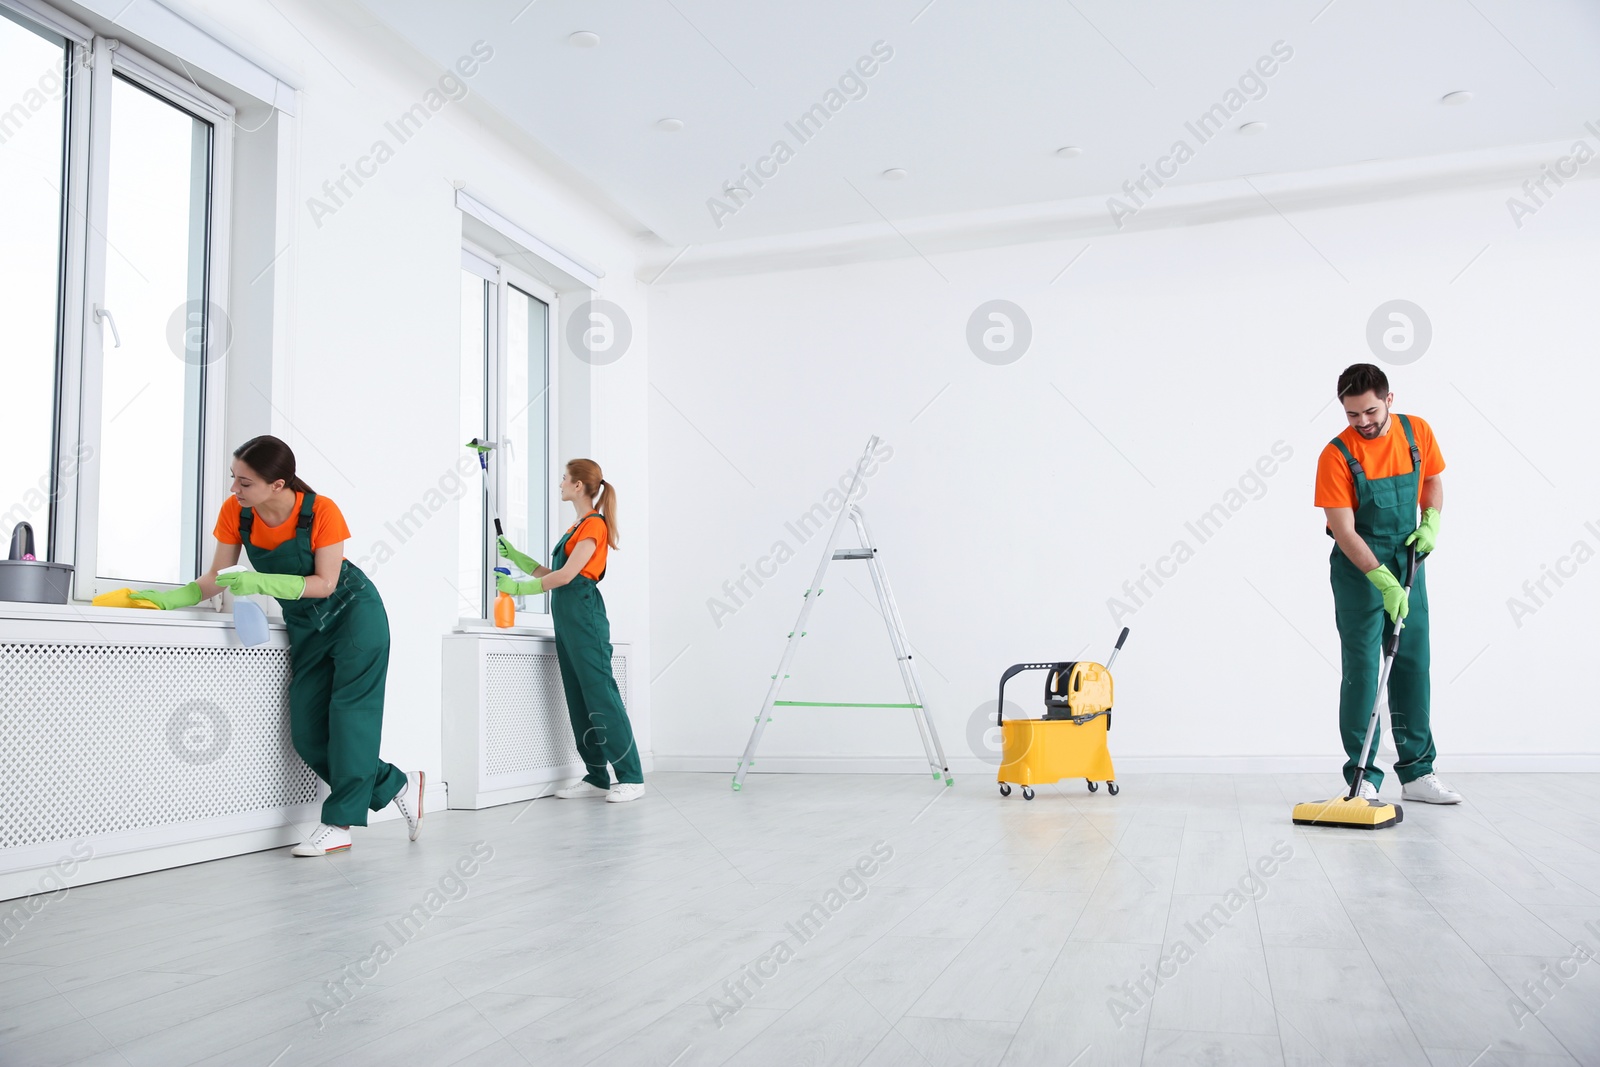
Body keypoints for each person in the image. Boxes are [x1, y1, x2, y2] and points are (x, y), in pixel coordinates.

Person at [132, 435, 424, 854]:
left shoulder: (321, 510)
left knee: (350, 720)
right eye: (234, 478)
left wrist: (259, 581)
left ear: (278, 484)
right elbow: (218, 574)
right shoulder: (238, 513)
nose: (235, 489)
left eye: (245, 482)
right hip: (305, 625)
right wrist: (173, 598)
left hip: (354, 615)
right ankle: (398, 783)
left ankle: (338, 824)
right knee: (307, 733)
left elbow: (324, 583)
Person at [1315, 364, 1460, 805]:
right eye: (1352, 414)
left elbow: (1431, 480)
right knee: (1363, 672)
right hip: (1361, 571)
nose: (1363, 422)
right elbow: (1343, 530)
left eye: (1371, 411)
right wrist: (1382, 579)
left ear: (1389, 400)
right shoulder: (1336, 455)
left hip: (1409, 560)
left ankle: (1417, 773)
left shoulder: (1416, 433)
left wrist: (1431, 520)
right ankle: (1363, 779)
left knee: (1413, 664)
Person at [496, 459, 643, 803]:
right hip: (565, 618)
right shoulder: (576, 527)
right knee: (578, 698)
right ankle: (596, 775)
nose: (560, 483)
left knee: (601, 696)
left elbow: (566, 578)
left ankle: (632, 776)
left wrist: (517, 590)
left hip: (585, 617)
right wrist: (518, 559)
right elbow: (554, 571)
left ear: (578, 485)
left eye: (564, 478)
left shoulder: (594, 526)